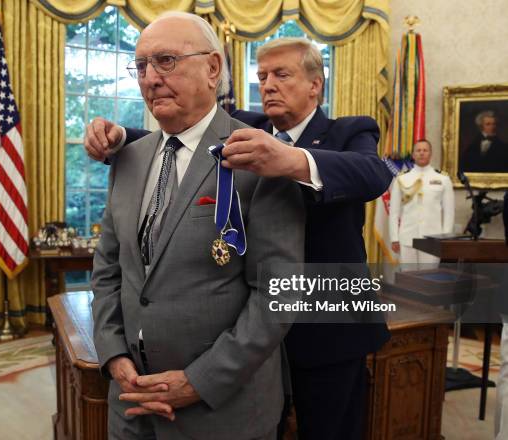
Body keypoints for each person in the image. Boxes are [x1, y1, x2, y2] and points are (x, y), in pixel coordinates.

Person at [87, 36, 392, 440]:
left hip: (324, 327)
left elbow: (374, 174)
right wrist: (120, 138)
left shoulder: (349, 131)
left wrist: (293, 160)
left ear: (315, 84)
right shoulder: (249, 127)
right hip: (249, 331)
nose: (267, 85)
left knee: (330, 429)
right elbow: (185, 135)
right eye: (262, 76)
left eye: (281, 75)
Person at [91, 12, 306, 440]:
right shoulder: (128, 159)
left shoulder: (261, 156)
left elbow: (280, 295)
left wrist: (198, 381)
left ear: (212, 68)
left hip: (221, 413)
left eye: (166, 60)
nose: (150, 78)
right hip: (131, 405)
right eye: (140, 66)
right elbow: (108, 272)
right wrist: (114, 355)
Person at [389, 139, 455, 266]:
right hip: (407, 237)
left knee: (430, 279)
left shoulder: (443, 179)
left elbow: (449, 212)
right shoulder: (402, 178)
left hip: (433, 238)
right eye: (418, 150)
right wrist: (394, 238)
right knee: (409, 279)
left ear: (430, 154)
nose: (421, 153)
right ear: (413, 155)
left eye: (425, 150)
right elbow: (394, 212)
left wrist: (446, 238)